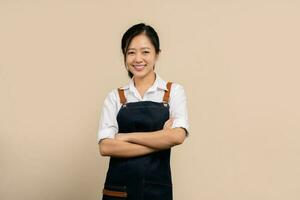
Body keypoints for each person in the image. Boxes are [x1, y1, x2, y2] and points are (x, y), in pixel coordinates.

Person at [97, 23, 189, 200]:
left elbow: (177, 137)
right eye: (131, 52)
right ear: (124, 56)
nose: (138, 59)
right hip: (118, 190)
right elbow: (105, 146)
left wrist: (126, 137)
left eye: (145, 52)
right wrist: (161, 139)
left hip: (157, 191)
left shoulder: (173, 92)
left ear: (157, 54)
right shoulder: (115, 97)